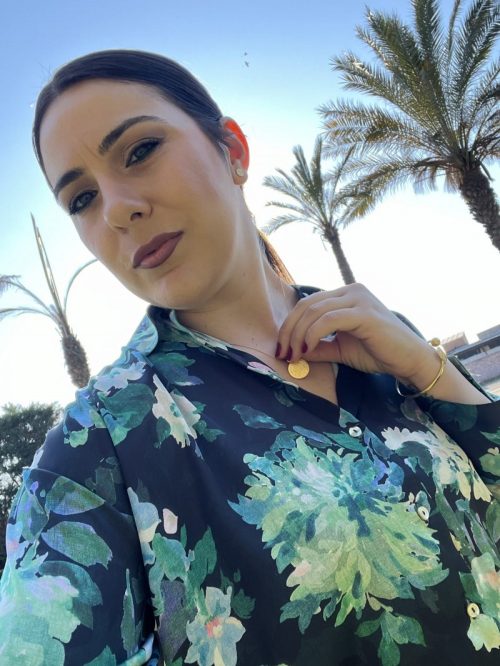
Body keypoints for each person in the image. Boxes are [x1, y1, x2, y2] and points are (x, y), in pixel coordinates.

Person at [0, 49, 498, 666]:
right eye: (81, 199)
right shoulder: (100, 442)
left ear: (233, 151)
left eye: (140, 150)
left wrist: (427, 368)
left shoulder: (383, 341)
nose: (117, 209)